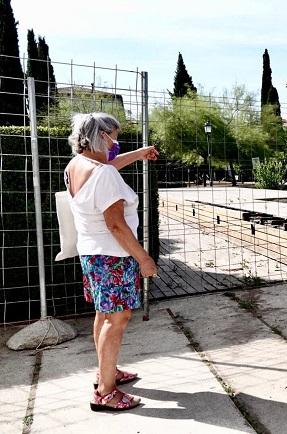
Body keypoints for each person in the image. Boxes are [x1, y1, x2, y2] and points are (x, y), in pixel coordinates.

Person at [64, 112, 159, 411]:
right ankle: (106, 392)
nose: (116, 143)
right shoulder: (103, 174)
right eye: (114, 137)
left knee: (103, 315)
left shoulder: (76, 165)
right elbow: (116, 225)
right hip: (113, 257)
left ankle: (106, 372)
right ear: (102, 136)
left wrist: (140, 154)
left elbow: (107, 167)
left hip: (92, 253)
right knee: (117, 319)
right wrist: (143, 258)